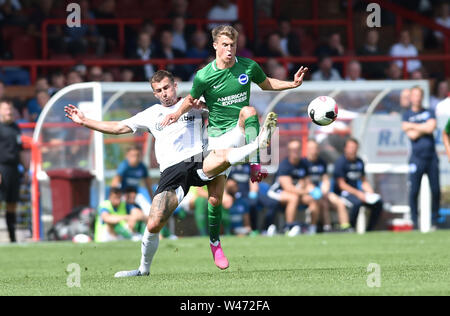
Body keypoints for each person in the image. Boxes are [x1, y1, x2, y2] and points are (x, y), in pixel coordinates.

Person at [64, 70, 277, 276]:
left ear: (175, 86)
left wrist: (206, 105)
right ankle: (143, 270)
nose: (164, 93)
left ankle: (257, 144)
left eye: (167, 87)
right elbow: (119, 127)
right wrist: (85, 121)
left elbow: (224, 109)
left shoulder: (192, 103)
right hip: (172, 171)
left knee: (219, 163)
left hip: (198, 158)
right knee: (154, 222)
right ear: (155, 93)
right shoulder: (151, 114)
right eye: (159, 90)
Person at [160, 25, 307, 268]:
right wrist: (176, 115)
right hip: (218, 138)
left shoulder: (248, 66)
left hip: (241, 127)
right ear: (215, 46)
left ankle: (255, 161)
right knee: (216, 199)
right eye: (225, 45)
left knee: (249, 110)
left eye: (233, 45)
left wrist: (292, 84)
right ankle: (215, 243)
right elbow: (191, 100)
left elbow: (267, 83)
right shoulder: (204, 75)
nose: (229, 49)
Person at [402, 86, 440, 229]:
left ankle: (435, 220)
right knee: (414, 191)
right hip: (416, 158)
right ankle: (414, 220)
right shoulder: (406, 114)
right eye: (415, 95)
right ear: (411, 97)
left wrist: (414, 127)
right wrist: (424, 127)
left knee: (435, 189)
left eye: (419, 95)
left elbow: (431, 128)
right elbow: (410, 133)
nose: (417, 98)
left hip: (431, 157)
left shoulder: (429, 111)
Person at [266, 140, 320, 236]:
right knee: (293, 198)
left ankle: (312, 228)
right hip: (277, 192)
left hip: (298, 192)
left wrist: (313, 190)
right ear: (289, 151)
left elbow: (307, 182)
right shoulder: (284, 165)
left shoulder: (304, 164)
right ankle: (289, 227)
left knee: (311, 200)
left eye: (297, 149)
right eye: (293, 149)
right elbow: (288, 188)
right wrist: (306, 191)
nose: (295, 151)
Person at [333, 138, 383, 231]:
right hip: (344, 193)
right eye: (351, 147)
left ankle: (370, 230)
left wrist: (371, 193)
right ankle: (351, 227)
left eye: (355, 147)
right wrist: (359, 194)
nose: (353, 150)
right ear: (345, 149)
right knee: (357, 203)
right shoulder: (340, 162)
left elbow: (364, 181)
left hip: (358, 193)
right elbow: (342, 185)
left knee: (378, 203)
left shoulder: (359, 161)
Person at [302, 139, 351, 232]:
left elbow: (325, 179)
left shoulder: (322, 162)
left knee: (339, 202)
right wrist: (315, 191)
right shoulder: (303, 163)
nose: (313, 150)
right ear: (307, 149)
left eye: (315, 148)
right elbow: (305, 182)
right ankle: (326, 227)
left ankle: (345, 227)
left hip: (322, 191)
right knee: (322, 202)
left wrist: (325, 189)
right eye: (311, 148)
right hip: (309, 192)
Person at [0, 99, 28, 243]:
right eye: (5, 109)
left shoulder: (16, 128)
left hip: (14, 169)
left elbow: (20, 150)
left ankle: (12, 239)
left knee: (12, 203)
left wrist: (26, 170)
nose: (9, 112)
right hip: (1, 168)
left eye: (10, 109)